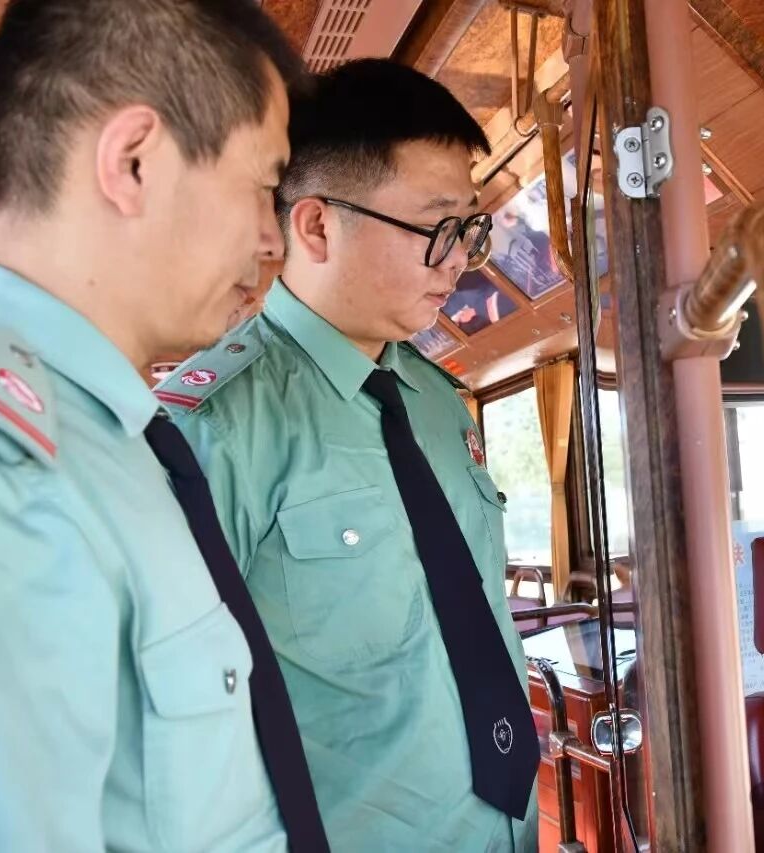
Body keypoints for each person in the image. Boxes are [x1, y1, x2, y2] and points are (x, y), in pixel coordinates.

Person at [155, 59, 539, 851]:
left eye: (470, 230)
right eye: (437, 228)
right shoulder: (214, 428)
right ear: (318, 226)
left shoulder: (438, 402)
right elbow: (171, 733)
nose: (459, 260)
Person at [0, 1, 328, 850]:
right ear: (133, 161)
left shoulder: (112, 440)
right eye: (264, 185)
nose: (271, 241)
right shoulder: (18, 475)